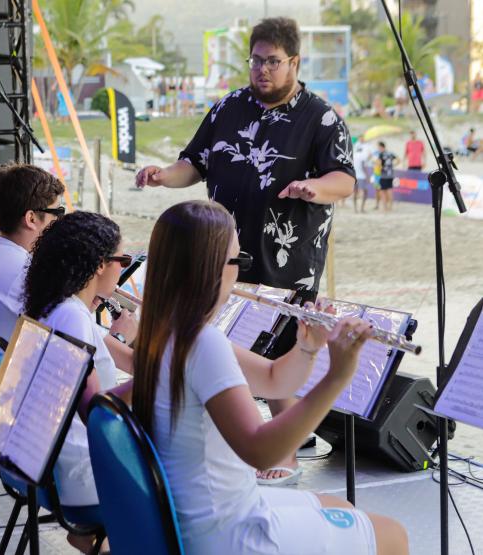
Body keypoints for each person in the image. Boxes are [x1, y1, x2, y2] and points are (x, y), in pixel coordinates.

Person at [135, 17, 355, 484]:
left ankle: (285, 452)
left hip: (286, 256)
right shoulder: (228, 107)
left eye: (273, 62)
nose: (262, 70)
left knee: (280, 348)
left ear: (294, 62)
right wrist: (162, 176)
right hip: (223, 250)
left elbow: (345, 180)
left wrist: (314, 188)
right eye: (256, 60)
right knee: (225, 339)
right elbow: (193, 164)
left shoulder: (321, 116)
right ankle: (237, 429)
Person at [131, 200, 408, 555]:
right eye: (239, 261)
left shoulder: (166, 332)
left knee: (342, 508)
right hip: (228, 531)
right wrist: (337, 377)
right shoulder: (203, 344)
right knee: (393, 535)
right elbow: (261, 452)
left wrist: (307, 348)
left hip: (195, 516)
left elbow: (277, 380)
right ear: (211, 268)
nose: (241, 273)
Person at [22, 211, 134, 553]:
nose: (124, 268)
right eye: (123, 260)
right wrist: (160, 376)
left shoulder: (61, 307)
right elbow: (96, 412)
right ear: (100, 264)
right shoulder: (72, 315)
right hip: (77, 473)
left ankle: (96, 541)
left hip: (55, 464)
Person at [0, 165, 65, 360]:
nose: (59, 221)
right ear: (31, 218)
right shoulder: (24, 270)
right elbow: (70, 334)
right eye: (57, 212)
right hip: (3, 383)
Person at [352, 135, 372, 213]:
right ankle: (361, 209)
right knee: (365, 192)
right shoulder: (362, 154)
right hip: (361, 176)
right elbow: (364, 166)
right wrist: (367, 176)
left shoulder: (355, 153)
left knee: (355, 192)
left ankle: (356, 209)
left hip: (355, 175)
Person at [377, 141, 397, 212]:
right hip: (390, 175)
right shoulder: (390, 153)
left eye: (378, 147)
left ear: (381, 147)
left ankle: (385, 207)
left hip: (383, 175)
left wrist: (379, 167)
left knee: (383, 192)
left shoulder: (381, 154)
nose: (378, 149)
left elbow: (378, 164)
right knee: (390, 191)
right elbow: (398, 160)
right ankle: (390, 207)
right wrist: (393, 165)